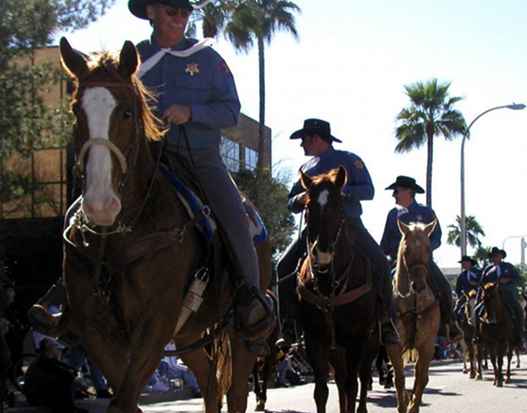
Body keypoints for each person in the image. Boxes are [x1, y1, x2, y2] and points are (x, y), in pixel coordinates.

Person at [28, 0, 272, 343]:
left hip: (200, 160)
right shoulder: (132, 59)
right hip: (145, 157)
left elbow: (231, 111)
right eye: (172, 10)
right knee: (80, 211)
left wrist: (191, 111)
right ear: (152, 12)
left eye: (185, 11)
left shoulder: (207, 58)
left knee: (234, 214)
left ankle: (250, 296)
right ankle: (65, 297)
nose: (180, 17)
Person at [276, 118, 399, 345]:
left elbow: (368, 191)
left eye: (304, 139)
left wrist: (340, 193)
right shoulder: (305, 169)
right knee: (282, 266)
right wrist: (302, 197)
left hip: (349, 226)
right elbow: (290, 202)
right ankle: (289, 325)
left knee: (380, 261)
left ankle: (386, 321)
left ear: (315, 138)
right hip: (313, 232)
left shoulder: (349, 160)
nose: (301, 145)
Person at [379, 175, 461, 341]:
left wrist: (426, 249)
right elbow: (385, 243)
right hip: (399, 262)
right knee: (379, 288)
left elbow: (437, 236)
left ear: (409, 192)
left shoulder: (426, 212)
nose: (394, 195)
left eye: (397, 191)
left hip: (423, 262)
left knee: (444, 286)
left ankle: (450, 323)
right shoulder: (392, 215)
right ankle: (383, 325)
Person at [22, 339, 89, 413]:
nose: (58, 349)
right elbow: (66, 375)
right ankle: (68, 409)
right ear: (49, 349)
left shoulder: (44, 359)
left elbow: (66, 369)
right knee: (64, 378)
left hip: (35, 396)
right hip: (37, 398)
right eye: (55, 346)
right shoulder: (45, 362)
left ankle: (67, 407)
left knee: (64, 377)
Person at [476, 247, 525, 345]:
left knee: (519, 310)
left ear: (501, 257)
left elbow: (518, 278)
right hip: (490, 296)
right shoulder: (487, 269)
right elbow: (481, 283)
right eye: (493, 256)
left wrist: (508, 280)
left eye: (497, 256)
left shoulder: (509, 267)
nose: (495, 258)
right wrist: (488, 286)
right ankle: (478, 335)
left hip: (507, 295)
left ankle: (518, 336)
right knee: (476, 310)